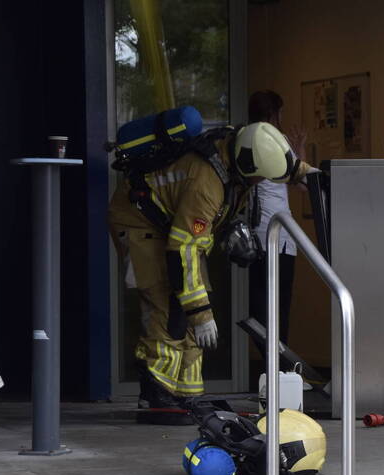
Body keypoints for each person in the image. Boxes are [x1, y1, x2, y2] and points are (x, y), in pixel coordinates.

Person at [108, 121, 314, 409]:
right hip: (139, 222)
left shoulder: (243, 151)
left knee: (194, 296)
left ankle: (186, 391)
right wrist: (203, 316)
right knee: (168, 303)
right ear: (246, 167)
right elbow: (184, 248)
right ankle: (156, 391)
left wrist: (313, 176)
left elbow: (287, 166)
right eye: (258, 179)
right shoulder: (205, 183)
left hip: (172, 226)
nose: (259, 184)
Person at [246, 91, 305, 358]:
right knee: (279, 306)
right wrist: (298, 149)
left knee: (259, 304)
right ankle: (280, 365)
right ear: (273, 114)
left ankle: (270, 363)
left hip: (253, 235)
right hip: (280, 235)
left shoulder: (244, 138)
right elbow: (300, 181)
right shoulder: (276, 141)